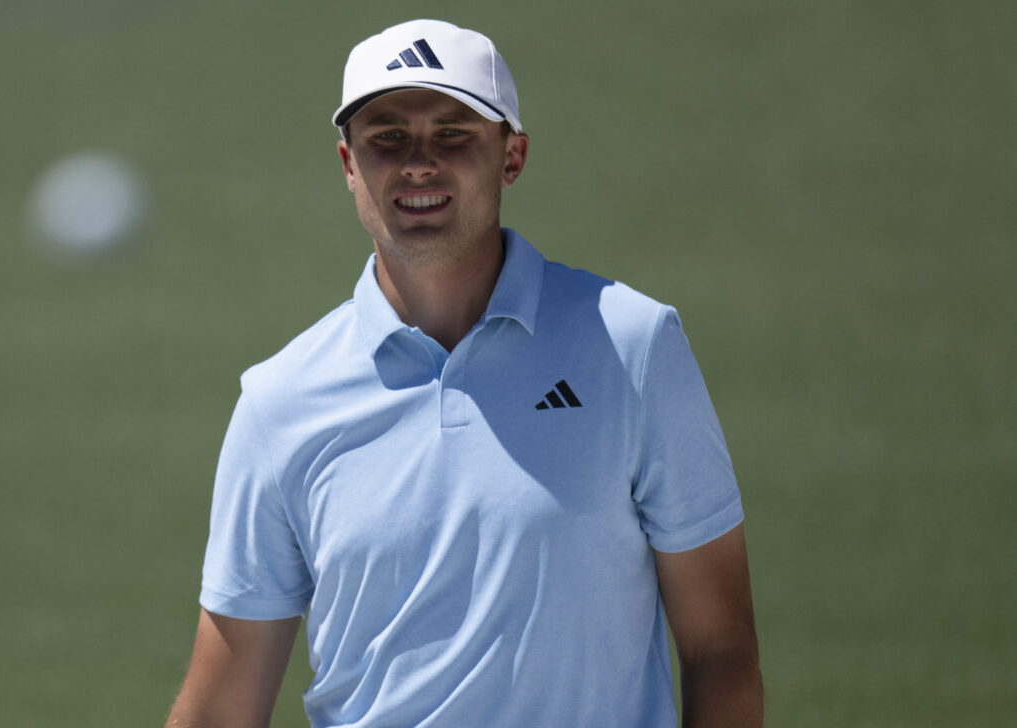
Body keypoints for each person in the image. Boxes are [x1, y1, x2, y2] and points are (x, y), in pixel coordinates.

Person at [166, 18, 762, 728]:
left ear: (512, 157)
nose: (418, 163)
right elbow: (219, 714)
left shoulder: (632, 343)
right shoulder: (278, 401)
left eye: (453, 134)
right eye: (387, 138)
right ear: (349, 165)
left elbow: (719, 648)